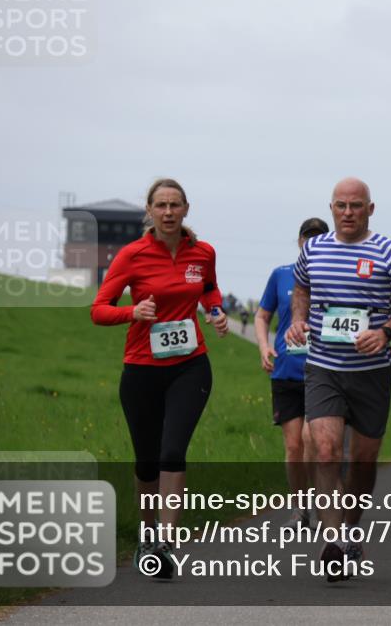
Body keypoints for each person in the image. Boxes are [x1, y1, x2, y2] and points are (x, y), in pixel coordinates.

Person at [91, 178, 229, 579]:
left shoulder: (203, 252)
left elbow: (209, 287)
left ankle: (167, 540)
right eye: (161, 205)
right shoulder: (132, 256)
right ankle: (147, 535)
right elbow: (99, 309)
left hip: (190, 365)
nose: (168, 212)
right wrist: (132, 313)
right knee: (147, 460)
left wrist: (215, 310)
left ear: (187, 209)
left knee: (172, 451)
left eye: (175, 205)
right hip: (141, 369)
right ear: (149, 212)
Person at [284, 177, 391, 581]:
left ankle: (349, 525)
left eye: (356, 206)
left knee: (362, 459)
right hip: (324, 367)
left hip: (372, 373)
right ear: (331, 208)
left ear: (370, 209)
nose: (347, 213)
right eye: (341, 206)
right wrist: (297, 320)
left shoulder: (390, 252)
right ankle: (335, 540)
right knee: (325, 451)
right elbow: (300, 290)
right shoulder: (313, 249)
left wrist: (385, 333)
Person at [255, 217, 330, 529]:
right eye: (307, 239)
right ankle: (300, 508)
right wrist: (263, 346)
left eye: (318, 239)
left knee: (311, 439)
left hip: (323, 371)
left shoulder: (334, 276)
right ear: (299, 242)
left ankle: (319, 499)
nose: (311, 245)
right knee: (294, 446)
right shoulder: (281, 275)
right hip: (286, 370)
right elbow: (262, 316)